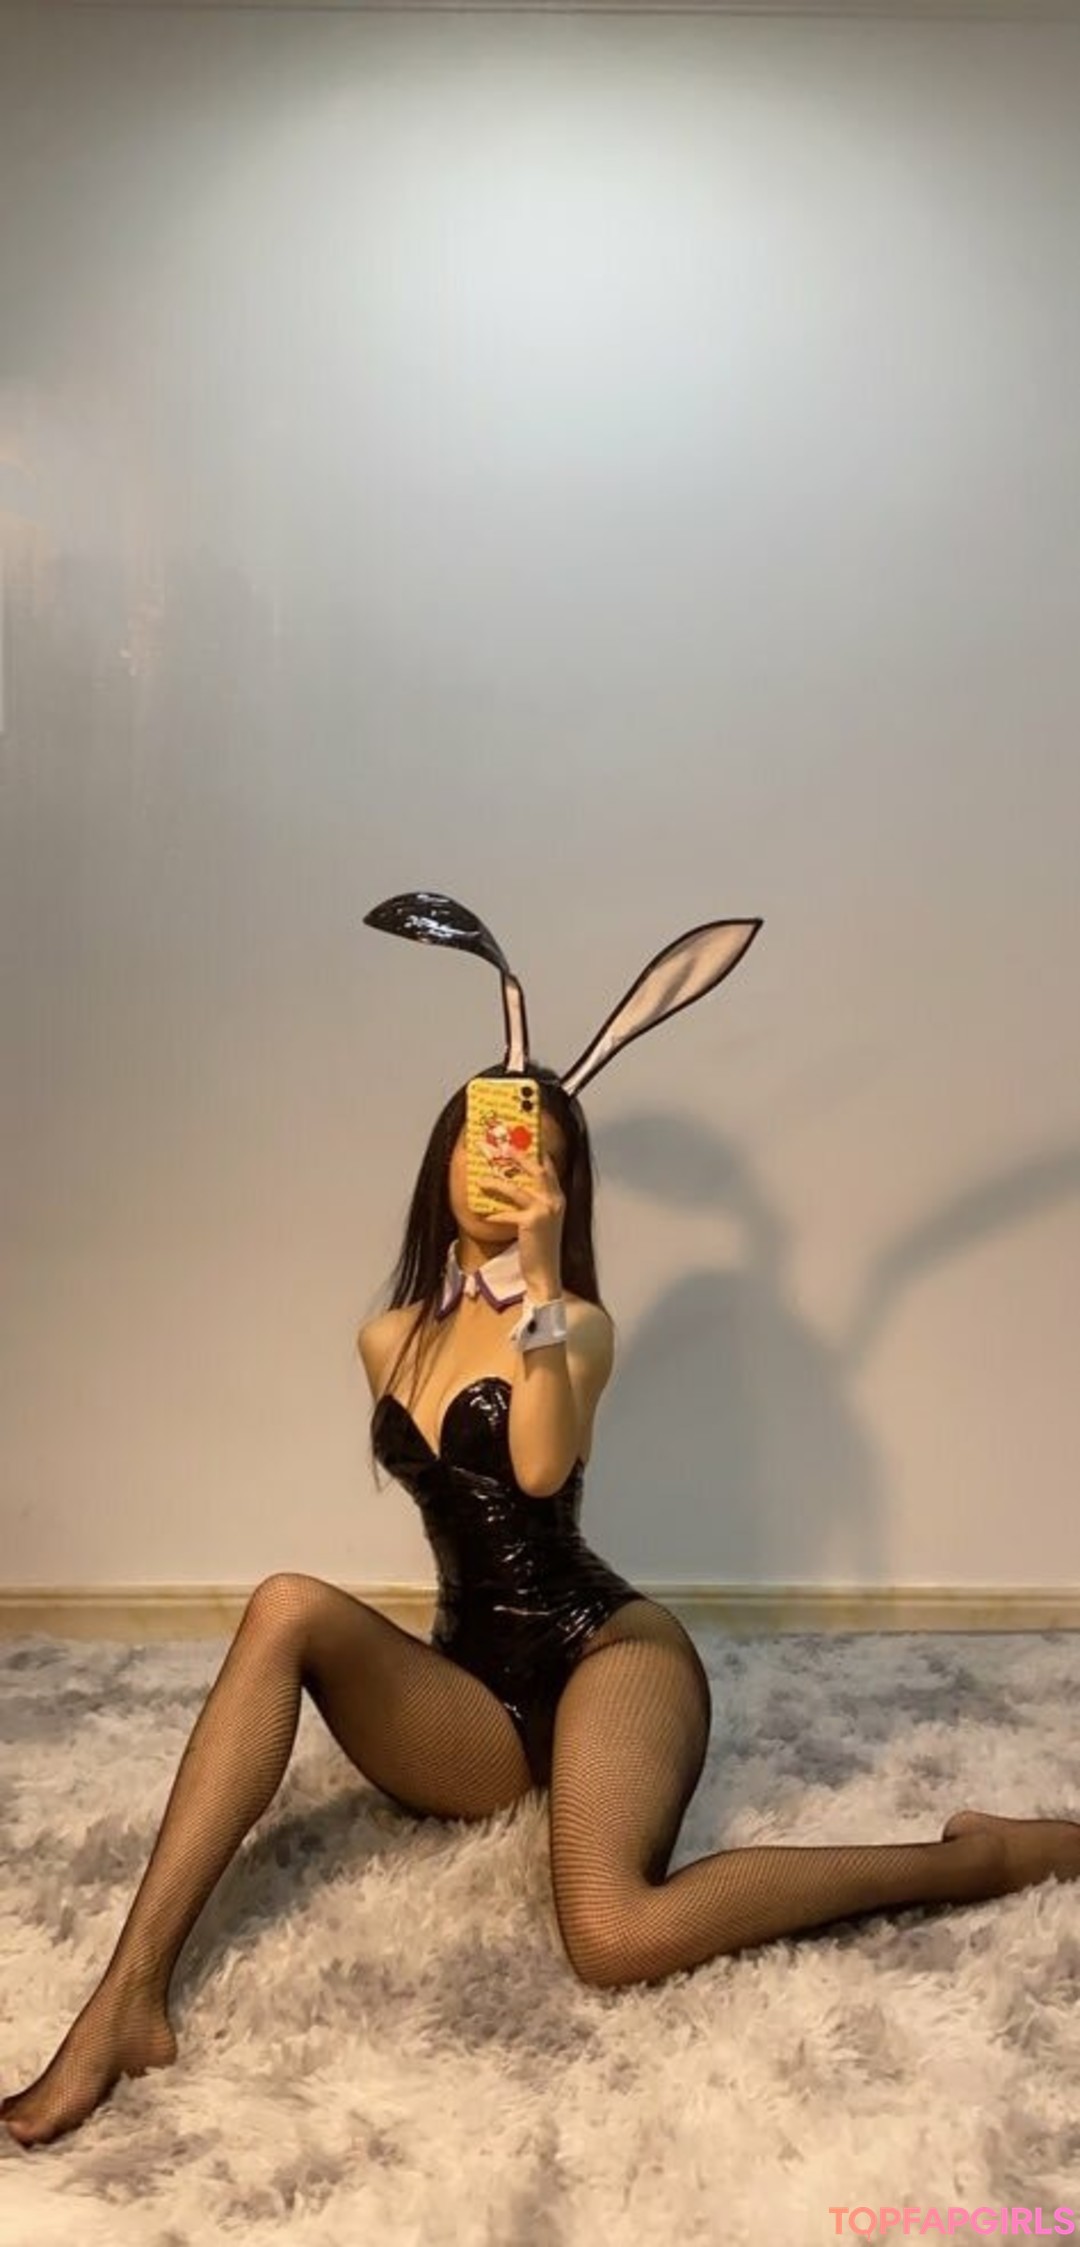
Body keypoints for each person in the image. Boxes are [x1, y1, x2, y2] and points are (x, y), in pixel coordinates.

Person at [5, 901, 1077, 2152]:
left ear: (562, 1183)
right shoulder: (388, 1338)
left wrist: (549, 1278)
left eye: (531, 1152)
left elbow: (539, 1460)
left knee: (613, 1934)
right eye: (479, 1134)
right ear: (442, 1154)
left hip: (603, 1650)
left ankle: (972, 1861)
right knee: (286, 1602)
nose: (496, 1160)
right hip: (475, 1697)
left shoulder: (582, 1325)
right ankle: (128, 1999)